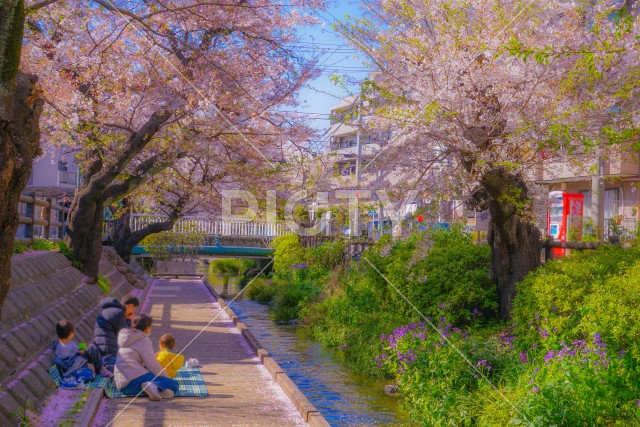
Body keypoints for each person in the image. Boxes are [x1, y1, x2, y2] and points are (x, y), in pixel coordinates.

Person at [114, 314, 178, 400]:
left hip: (123, 386)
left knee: (158, 380)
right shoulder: (143, 341)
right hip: (134, 381)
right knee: (173, 384)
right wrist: (165, 378)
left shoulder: (126, 339)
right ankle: (154, 386)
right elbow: (153, 365)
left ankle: (157, 390)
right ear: (147, 328)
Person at [53, 319, 101, 388]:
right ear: (69, 334)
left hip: (79, 361)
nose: (74, 334)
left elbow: (76, 350)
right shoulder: (61, 347)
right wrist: (84, 363)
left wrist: (81, 350)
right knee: (88, 373)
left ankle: (100, 367)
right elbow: (69, 364)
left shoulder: (70, 343)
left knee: (91, 348)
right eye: (73, 332)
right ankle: (95, 369)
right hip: (75, 367)